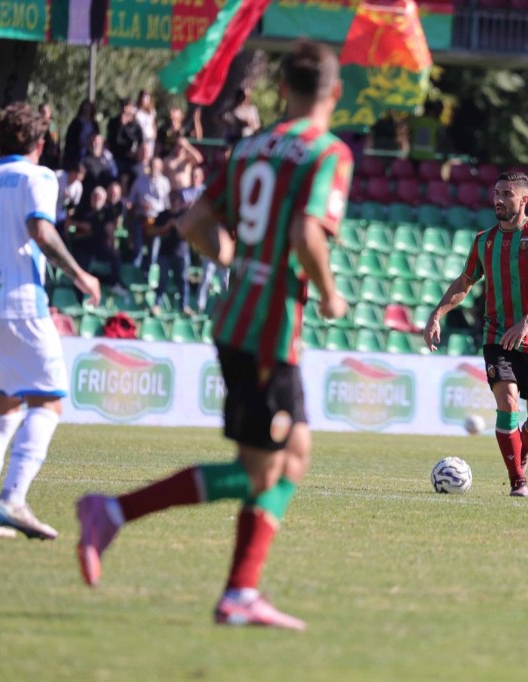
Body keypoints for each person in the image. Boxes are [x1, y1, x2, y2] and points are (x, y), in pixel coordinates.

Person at [75, 40, 353, 630]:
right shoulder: (326, 151)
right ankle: (114, 513)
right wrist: (329, 293)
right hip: (268, 329)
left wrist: (233, 256)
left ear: (283, 90)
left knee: (294, 456)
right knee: (263, 472)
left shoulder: (252, 146)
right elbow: (308, 234)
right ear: (334, 92)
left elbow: (195, 223)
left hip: (238, 318)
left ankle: (241, 594)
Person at [0, 103, 102, 538]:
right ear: (41, 143)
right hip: (19, 301)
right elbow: (42, 231)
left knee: (2, 407)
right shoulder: (39, 176)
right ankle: (12, 499)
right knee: (48, 401)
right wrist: (81, 274)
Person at [423, 171, 528, 498]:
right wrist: (437, 314)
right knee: (507, 400)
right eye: (497, 193)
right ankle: (518, 481)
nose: (499, 200)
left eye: (507, 194)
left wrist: (527, 321)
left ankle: (521, 449)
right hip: (497, 336)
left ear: (524, 199)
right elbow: (464, 283)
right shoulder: (484, 240)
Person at [66, 186, 125, 296]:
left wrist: (112, 245)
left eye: (100, 197)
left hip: (99, 245)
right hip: (83, 245)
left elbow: (110, 230)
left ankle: (113, 283)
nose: (96, 199)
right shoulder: (83, 209)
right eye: (95, 196)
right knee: (82, 264)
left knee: (115, 255)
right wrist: (82, 225)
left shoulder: (107, 211)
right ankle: (79, 295)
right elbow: (69, 222)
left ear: (104, 199)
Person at [127, 157, 171, 267]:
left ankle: (150, 270)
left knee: (154, 246)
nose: (153, 168)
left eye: (156, 166)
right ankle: (135, 269)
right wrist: (139, 205)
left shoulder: (165, 182)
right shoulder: (139, 180)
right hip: (141, 216)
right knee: (138, 245)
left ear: (161, 168)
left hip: (157, 218)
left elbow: (167, 204)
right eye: (152, 165)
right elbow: (131, 199)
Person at [105, 99, 143, 190]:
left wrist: (135, 153)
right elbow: (112, 139)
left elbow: (139, 142)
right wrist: (121, 125)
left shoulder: (136, 126)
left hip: (131, 158)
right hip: (116, 156)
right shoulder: (114, 122)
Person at [80, 134, 118, 209]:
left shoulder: (108, 159)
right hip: (88, 194)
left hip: (105, 194)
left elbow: (115, 176)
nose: (94, 144)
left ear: (102, 143)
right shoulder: (83, 157)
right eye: (91, 142)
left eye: (97, 142)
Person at [63, 100, 99, 170]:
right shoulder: (76, 123)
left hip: (90, 152)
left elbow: (97, 137)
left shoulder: (94, 124)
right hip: (77, 152)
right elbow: (70, 138)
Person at [135, 90, 157, 162]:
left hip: (150, 138)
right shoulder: (137, 110)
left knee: (149, 157)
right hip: (141, 138)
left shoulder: (151, 111)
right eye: (144, 98)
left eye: (147, 98)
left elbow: (153, 123)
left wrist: (154, 133)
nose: (145, 100)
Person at [37, 103, 61, 170]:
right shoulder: (36, 125)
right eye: (41, 112)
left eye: (44, 112)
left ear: (49, 113)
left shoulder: (52, 126)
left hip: (49, 159)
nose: (42, 114)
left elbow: (55, 142)